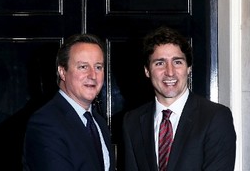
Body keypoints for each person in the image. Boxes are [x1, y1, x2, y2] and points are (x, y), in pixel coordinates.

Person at [122, 26, 236, 171]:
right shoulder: (132, 122)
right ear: (147, 71)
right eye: (160, 63)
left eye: (177, 62)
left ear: (189, 67)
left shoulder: (215, 117)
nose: (170, 72)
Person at [23, 34, 115, 171]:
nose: (93, 75)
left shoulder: (99, 122)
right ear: (62, 72)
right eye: (83, 67)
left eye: (98, 67)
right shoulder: (46, 123)